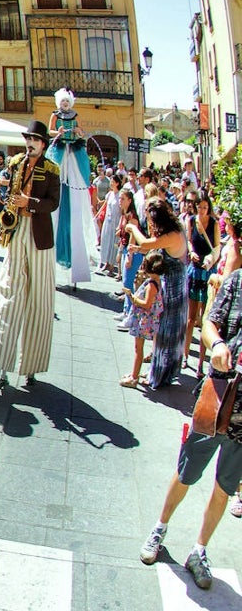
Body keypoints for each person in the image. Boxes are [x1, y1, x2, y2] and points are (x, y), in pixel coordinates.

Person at [139, 267, 242, 591]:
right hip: (220, 396)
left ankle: (199, 551)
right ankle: (160, 527)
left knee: (225, 487)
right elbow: (210, 324)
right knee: (186, 472)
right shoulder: (238, 280)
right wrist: (219, 345)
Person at [0, 121, 61, 390]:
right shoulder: (17, 162)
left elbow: (54, 203)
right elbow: (8, 188)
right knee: (7, 296)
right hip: (17, 230)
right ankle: (0, 368)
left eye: (35, 140)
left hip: (40, 236)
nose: (30, 143)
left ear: (43, 144)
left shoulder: (52, 169)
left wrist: (29, 202)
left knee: (40, 301)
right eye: (28, 138)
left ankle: (31, 367)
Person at [125, 199, 189, 390]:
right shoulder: (172, 230)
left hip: (173, 286)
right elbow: (150, 247)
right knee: (164, 330)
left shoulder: (173, 234)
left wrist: (132, 227)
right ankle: (159, 369)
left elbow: (145, 241)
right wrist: (138, 249)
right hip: (170, 282)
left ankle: (160, 374)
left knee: (166, 330)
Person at [47, 88, 96, 284]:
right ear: (59, 103)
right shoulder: (54, 115)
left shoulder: (75, 115)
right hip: (59, 149)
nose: (65, 104)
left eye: (68, 101)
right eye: (63, 101)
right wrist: (56, 132)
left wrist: (78, 131)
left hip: (73, 150)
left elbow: (82, 132)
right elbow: (50, 130)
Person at [120, 252, 166, 388]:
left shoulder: (151, 285)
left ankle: (134, 377)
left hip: (144, 321)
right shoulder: (157, 281)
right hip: (148, 320)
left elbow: (147, 304)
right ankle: (134, 373)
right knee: (138, 348)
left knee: (138, 349)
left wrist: (133, 298)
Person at [185, 195, 220, 370]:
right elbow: (189, 241)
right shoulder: (191, 221)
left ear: (209, 208)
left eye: (205, 207)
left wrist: (210, 260)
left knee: (205, 318)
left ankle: (200, 364)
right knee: (191, 318)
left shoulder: (214, 224)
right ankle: (184, 356)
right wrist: (191, 252)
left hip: (208, 272)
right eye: (200, 207)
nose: (202, 210)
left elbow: (216, 248)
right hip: (194, 268)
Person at [97, 174, 123, 276]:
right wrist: (98, 214)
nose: (111, 184)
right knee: (106, 240)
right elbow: (105, 205)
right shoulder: (110, 194)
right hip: (108, 221)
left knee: (114, 243)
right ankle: (106, 263)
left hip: (116, 221)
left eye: (113, 182)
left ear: (117, 183)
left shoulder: (120, 195)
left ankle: (112, 266)